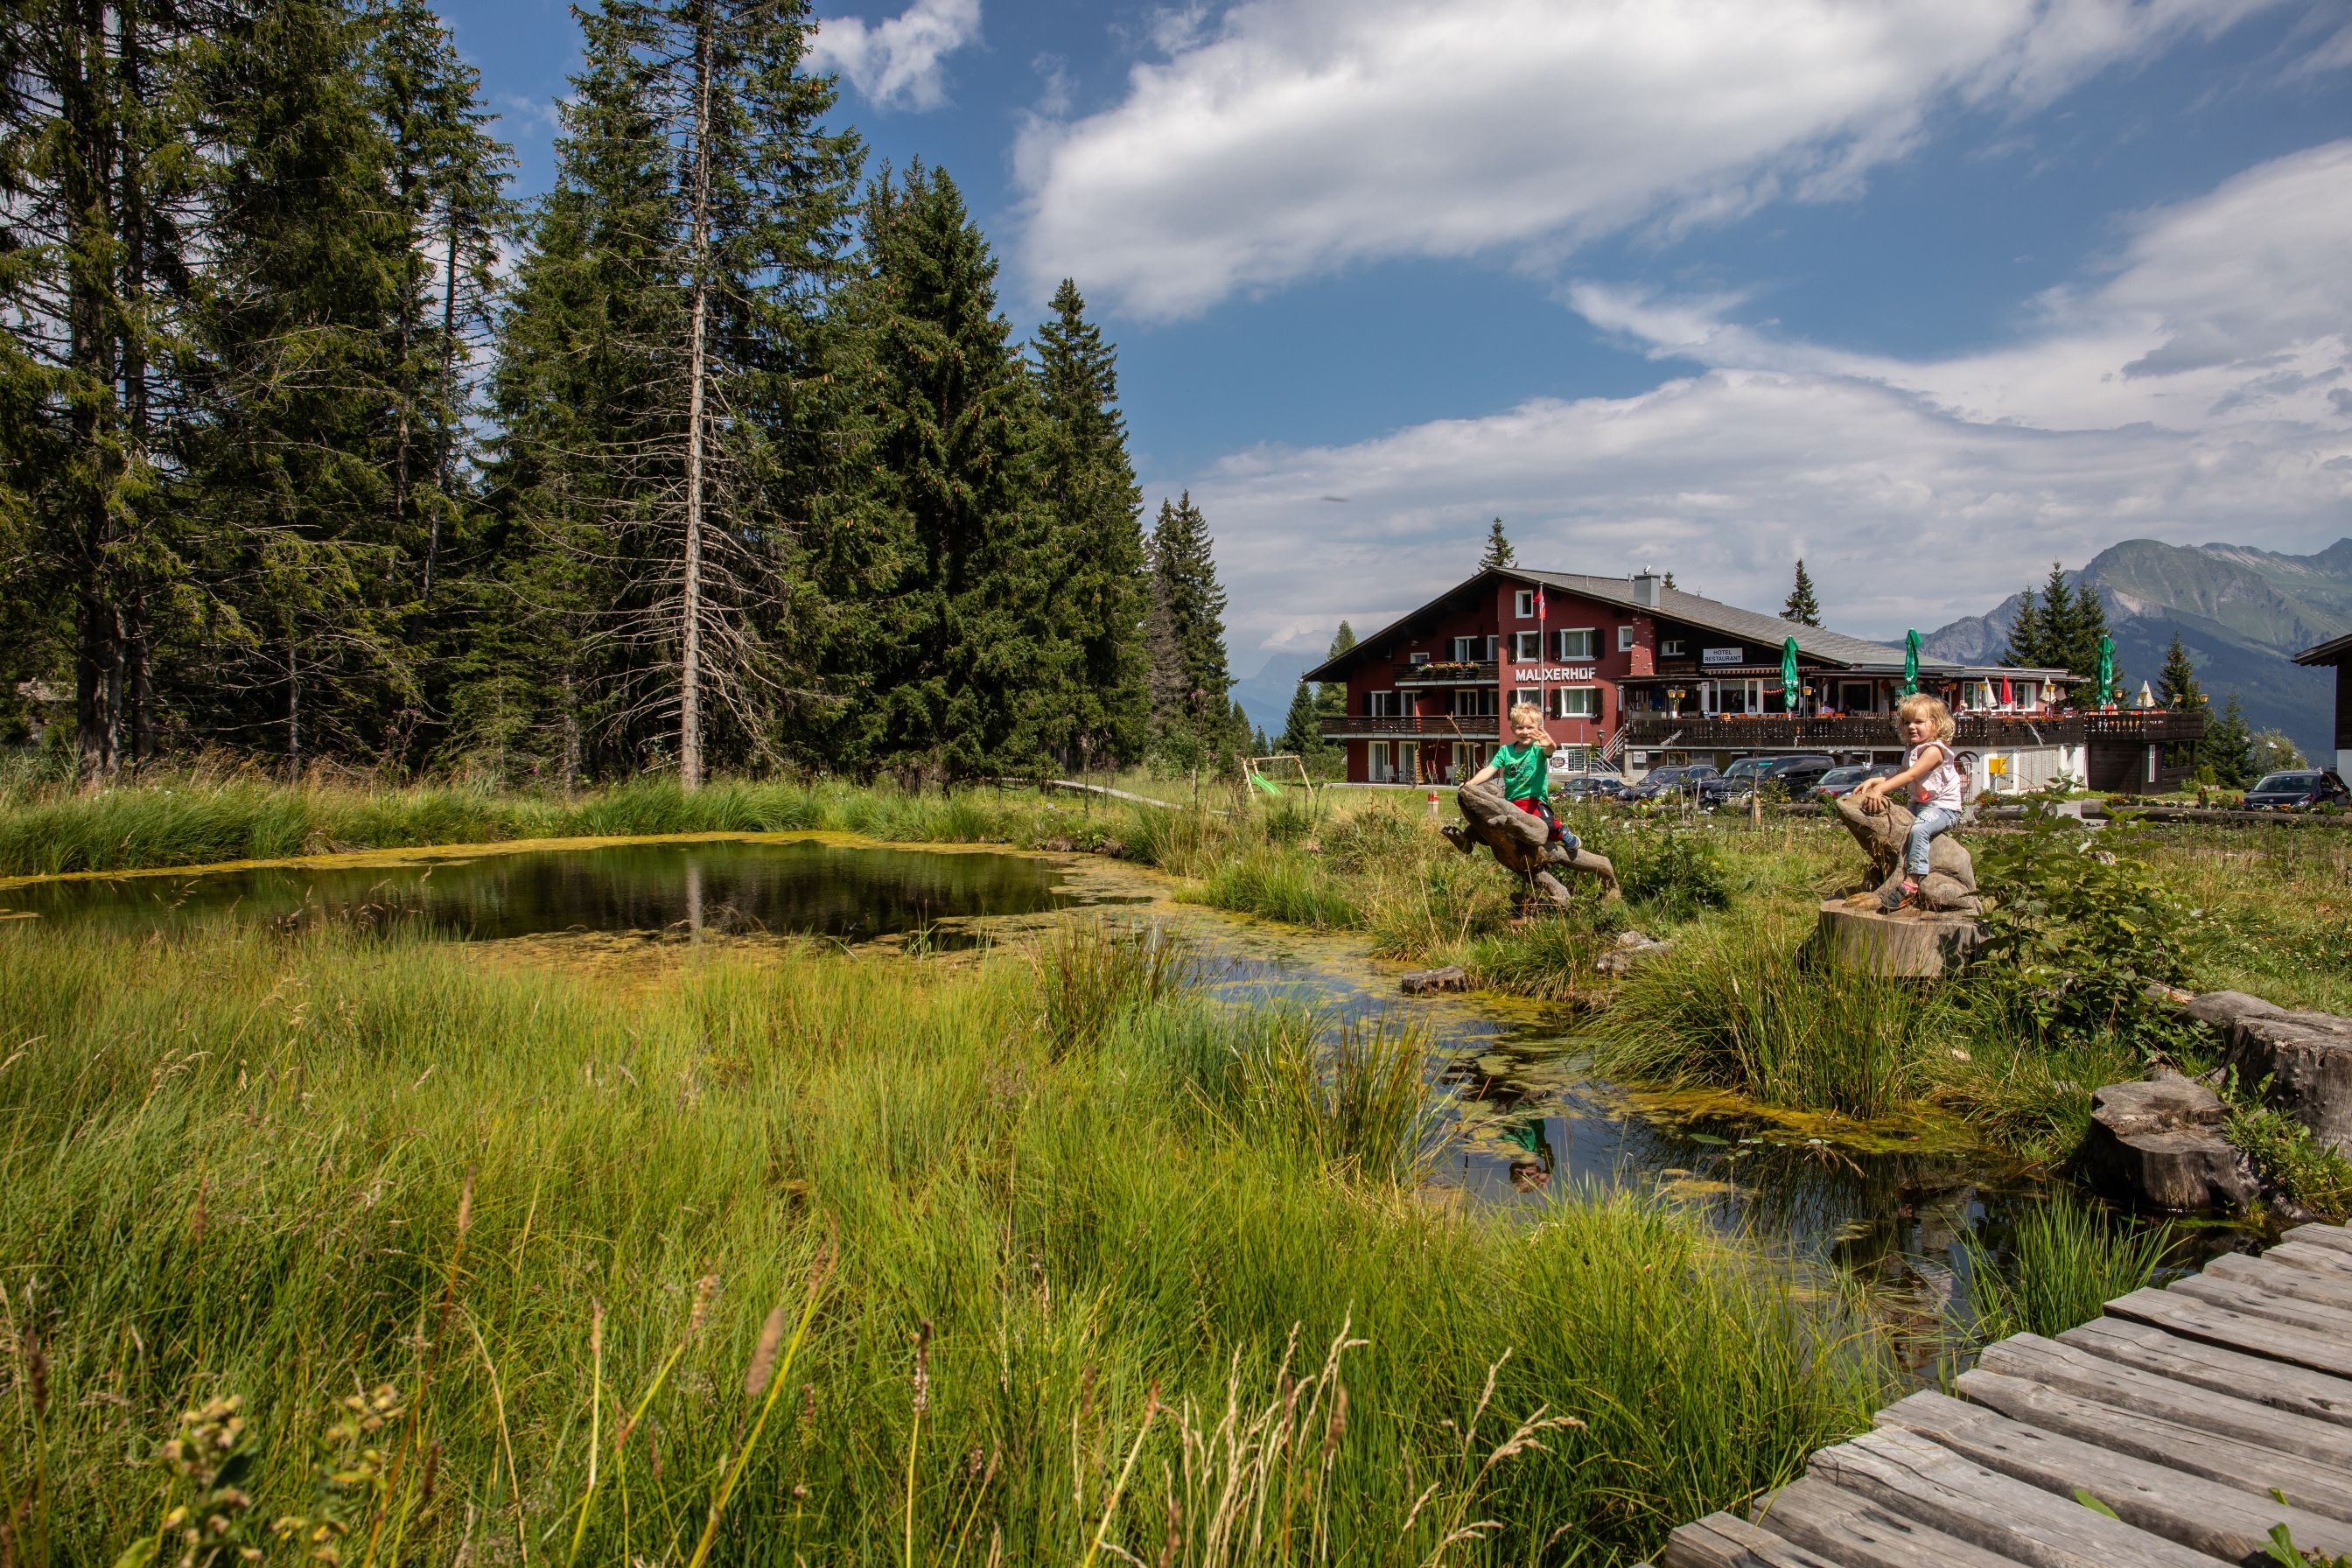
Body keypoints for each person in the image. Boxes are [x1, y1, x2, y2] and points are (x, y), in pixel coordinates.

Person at [1851, 693, 1964, 911]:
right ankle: (1885, 870)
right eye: (1906, 722)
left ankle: (1913, 881)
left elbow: (1911, 776)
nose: (1912, 726)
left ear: (1937, 724)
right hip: (1920, 805)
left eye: (1919, 722)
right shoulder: (1912, 749)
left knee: (1918, 830)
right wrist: (1876, 781)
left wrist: (1881, 789)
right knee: (1898, 828)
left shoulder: (1934, 751)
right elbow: (1902, 774)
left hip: (1944, 808)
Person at [1466, 703, 1576, 851]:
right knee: (1487, 820)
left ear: (1538, 729)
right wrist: (1470, 783)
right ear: (1512, 729)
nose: (1525, 732)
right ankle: (1466, 840)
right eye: (1520, 727)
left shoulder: (1538, 748)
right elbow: (1490, 769)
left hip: (1534, 800)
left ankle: (1563, 832)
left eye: (1530, 727)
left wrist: (1551, 745)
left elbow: (1550, 751)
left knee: (1546, 825)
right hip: (1511, 802)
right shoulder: (1505, 751)